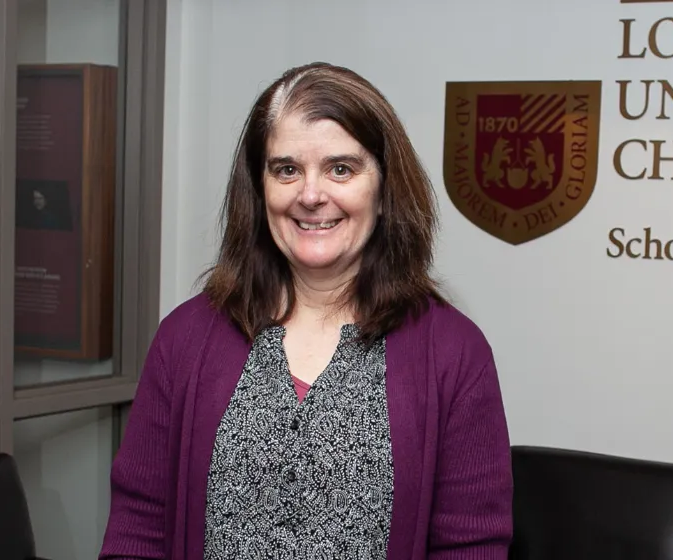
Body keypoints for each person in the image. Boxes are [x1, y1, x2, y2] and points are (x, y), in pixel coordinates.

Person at [99, 62, 514, 560]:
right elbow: (138, 529)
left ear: (384, 191)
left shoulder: (453, 353)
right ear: (259, 189)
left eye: (341, 168)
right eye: (287, 169)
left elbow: (471, 546)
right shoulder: (185, 338)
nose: (311, 195)